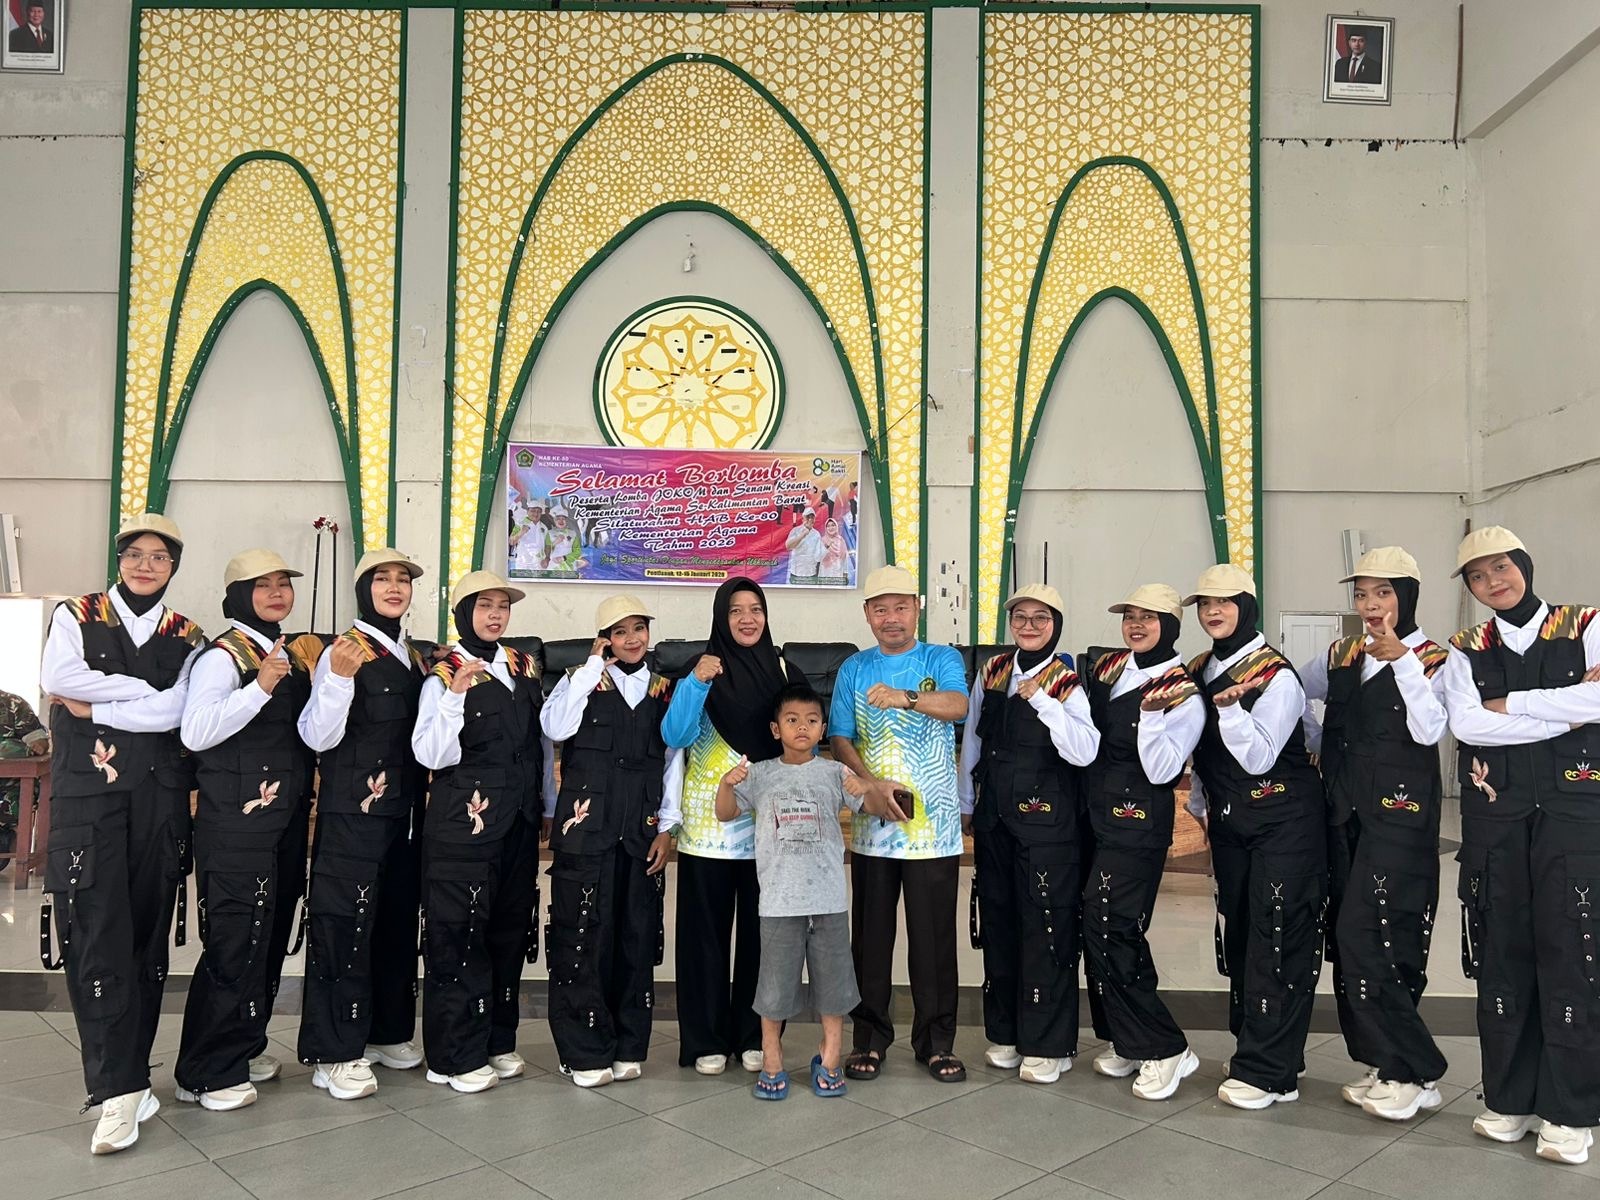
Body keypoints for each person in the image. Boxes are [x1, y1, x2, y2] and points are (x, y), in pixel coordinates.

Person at [36, 513, 203, 1154]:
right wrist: (142, 693)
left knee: (146, 943)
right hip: (90, 802)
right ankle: (115, 1089)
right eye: (135, 554)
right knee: (94, 940)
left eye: (159, 557)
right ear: (119, 558)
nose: (145, 566)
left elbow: (180, 709)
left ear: (172, 567)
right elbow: (60, 680)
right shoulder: (76, 614)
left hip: (159, 801)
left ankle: (131, 1080)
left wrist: (103, 706)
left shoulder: (188, 634)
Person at [1441, 527, 1600, 1165]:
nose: (1493, 583)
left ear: (1524, 567)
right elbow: (1466, 723)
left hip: (1575, 817)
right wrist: (1567, 712)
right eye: (1478, 576)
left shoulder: (1584, 624)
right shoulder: (1465, 648)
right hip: (1496, 821)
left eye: (1501, 568)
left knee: (1573, 955)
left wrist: (1513, 704)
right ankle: (1510, 1098)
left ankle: (1570, 1111)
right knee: (1502, 956)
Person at [1298, 549, 1450, 1121]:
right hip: (1344, 813)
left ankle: (1414, 1069)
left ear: (1407, 595)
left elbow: (1431, 729)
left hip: (1401, 820)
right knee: (1347, 940)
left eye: (1383, 593)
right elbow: (1290, 689)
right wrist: (1316, 739)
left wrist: (1403, 661)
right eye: (1362, 595)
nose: (1370, 605)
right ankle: (1384, 1061)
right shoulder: (1341, 654)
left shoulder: (1437, 658)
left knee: (1381, 935)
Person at [176, 549, 320, 1112]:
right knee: (235, 943)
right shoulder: (223, 657)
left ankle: (243, 1046)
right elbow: (196, 732)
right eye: (263, 586)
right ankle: (205, 1071)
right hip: (235, 825)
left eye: (283, 583)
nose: (277, 593)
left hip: (282, 821)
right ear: (238, 595)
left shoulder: (287, 653)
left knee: (268, 938)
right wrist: (258, 688)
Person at [717, 684, 903, 1100]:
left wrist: (868, 790)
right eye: (792, 720)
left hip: (828, 901)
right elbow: (725, 813)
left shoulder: (835, 773)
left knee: (833, 989)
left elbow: (878, 809)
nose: (802, 727)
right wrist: (727, 785)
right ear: (775, 729)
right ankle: (772, 1058)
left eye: (812, 720)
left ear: (822, 729)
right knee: (773, 990)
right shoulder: (760, 774)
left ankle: (830, 1055)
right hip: (778, 902)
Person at [1183, 563, 1325, 1110]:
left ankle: (1270, 1073)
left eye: (1224, 602)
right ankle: (1264, 1049)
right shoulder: (1201, 667)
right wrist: (1201, 804)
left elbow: (1259, 755)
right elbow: (1202, 749)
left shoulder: (1275, 674)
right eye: (1204, 604)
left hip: (1284, 821)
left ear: (1247, 606)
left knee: (1278, 934)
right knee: (1242, 932)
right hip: (1232, 822)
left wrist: (1231, 709)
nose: (1212, 612)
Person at [295, 549, 430, 1100]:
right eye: (382, 579)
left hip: (405, 813)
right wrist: (339, 681)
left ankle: (385, 1031)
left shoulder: (414, 656)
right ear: (362, 589)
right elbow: (317, 735)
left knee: (395, 922)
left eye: (403, 580)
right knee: (343, 924)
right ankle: (333, 1051)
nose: (394, 588)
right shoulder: (342, 650)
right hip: (353, 813)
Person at [660, 576, 807, 1075]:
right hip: (708, 827)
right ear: (721, 618)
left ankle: (755, 1035)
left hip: (771, 828)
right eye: (736, 610)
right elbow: (675, 734)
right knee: (704, 937)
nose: (747, 619)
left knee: (763, 940)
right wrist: (697, 682)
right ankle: (705, 1039)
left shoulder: (784, 670)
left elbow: (801, 741)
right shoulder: (699, 668)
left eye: (756, 609)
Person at [829, 564, 969, 1082]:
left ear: (917, 609)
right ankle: (868, 1039)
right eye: (881, 609)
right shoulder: (854, 668)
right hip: (874, 829)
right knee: (870, 941)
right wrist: (869, 786)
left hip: (934, 831)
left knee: (933, 942)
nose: (892, 618)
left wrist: (904, 697)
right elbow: (839, 737)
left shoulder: (941, 658)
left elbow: (958, 705)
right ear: (867, 614)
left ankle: (937, 1042)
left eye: (901, 607)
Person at [411, 570, 550, 1094]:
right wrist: (454, 695)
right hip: (463, 826)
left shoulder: (521, 665)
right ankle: (452, 1056)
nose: (495, 614)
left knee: (508, 932)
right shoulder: (443, 672)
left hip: (517, 821)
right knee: (459, 935)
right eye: (484, 605)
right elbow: (430, 753)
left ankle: (495, 1039)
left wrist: (546, 804)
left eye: (502, 606)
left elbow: (538, 744)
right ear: (463, 612)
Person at [960, 583, 1099, 1085]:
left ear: (1055, 625)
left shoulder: (1067, 682)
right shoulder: (993, 671)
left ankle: (1050, 1044)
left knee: (1047, 928)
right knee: (999, 923)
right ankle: (1007, 1031)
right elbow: (972, 741)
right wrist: (967, 803)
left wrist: (1044, 701)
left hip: (1049, 824)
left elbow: (1084, 749)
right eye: (1020, 617)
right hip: (995, 818)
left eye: (1041, 618)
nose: (1029, 626)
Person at [540, 595, 681, 1087]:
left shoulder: (664, 689)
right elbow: (554, 728)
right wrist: (588, 670)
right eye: (620, 632)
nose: (632, 639)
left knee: (635, 939)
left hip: (639, 833)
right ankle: (582, 1051)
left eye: (638, 628)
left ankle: (627, 1044)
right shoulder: (577, 680)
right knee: (581, 939)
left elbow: (673, 761)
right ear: (604, 640)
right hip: (585, 834)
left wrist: (667, 827)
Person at [1082, 584, 1206, 1100]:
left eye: (1148, 617)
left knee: (1113, 924)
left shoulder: (1182, 691)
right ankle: (1129, 1038)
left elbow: (1162, 770)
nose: (1136, 625)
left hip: (1137, 821)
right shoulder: (1111, 669)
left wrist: (1153, 716)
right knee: (1100, 927)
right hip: (1095, 814)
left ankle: (1165, 1047)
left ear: (1171, 626)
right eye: (1129, 616)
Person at [0, 687, 48, 868]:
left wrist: (13, 748)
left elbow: (39, 745)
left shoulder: (13, 704)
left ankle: (11, 840)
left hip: (9, 791)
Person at [785, 511, 823, 583]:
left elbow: (818, 556)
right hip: (796, 572)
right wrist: (802, 535)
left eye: (812, 518)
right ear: (803, 519)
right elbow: (788, 546)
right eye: (808, 517)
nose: (810, 520)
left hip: (811, 572)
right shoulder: (795, 530)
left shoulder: (817, 534)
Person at [819, 518, 849, 584]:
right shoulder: (822, 540)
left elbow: (845, 558)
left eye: (833, 525)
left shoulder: (841, 540)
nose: (831, 528)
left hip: (838, 572)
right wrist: (827, 546)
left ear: (836, 526)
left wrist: (845, 572)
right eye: (828, 526)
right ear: (826, 528)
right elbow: (819, 557)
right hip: (825, 572)